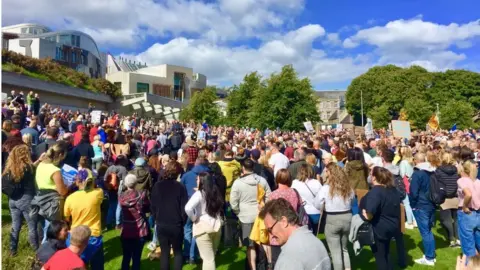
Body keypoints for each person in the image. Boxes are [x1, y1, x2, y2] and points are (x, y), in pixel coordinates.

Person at [259, 198, 331, 270]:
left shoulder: (288, 258)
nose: (270, 236)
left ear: (284, 221)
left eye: (270, 229)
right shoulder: (315, 241)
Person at [230, 159, 272, 270]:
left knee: (250, 245)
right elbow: (269, 196)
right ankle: (269, 263)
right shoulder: (262, 180)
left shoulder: (238, 183)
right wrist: (264, 208)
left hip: (246, 217)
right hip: (260, 215)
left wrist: (239, 212)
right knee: (263, 241)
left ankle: (253, 267)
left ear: (243, 169)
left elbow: (233, 202)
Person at [360, 167, 401, 270]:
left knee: (380, 256)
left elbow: (369, 214)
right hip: (392, 225)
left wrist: (364, 213)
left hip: (379, 228)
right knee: (386, 252)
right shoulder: (393, 190)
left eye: (370, 174)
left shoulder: (376, 192)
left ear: (374, 177)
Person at [2, 144, 39, 255]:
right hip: (26, 200)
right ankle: (36, 251)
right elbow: (33, 167)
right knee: (32, 226)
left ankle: (12, 250)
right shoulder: (28, 168)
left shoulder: (9, 167)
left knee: (15, 225)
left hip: (12, 200)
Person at [315, 163, 354, 270]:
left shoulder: (325, 188)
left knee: (335, 252)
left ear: (329, 173)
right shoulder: (348, 187)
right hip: (347, 217)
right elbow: (353, 200)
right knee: (345, 249)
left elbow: (317, 204)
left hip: (332, 219)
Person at [151, 161, 188, 270]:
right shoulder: (180, 187)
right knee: (177, 252)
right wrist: (182, 221)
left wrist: (157, 217)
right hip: (175, 224)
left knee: (165, 252)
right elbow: (184, 208)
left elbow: (153, 206)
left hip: (162, 223)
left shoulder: (158, 186)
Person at [64, 168, 104, 270]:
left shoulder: (70, 198)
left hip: (75, 235)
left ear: (77, 181)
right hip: (93, 235)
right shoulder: (98, 193)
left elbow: (67, 218)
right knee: (97, 266)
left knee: (77, 266)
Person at [185, 172, 225, 270]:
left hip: (203, 227)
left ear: (202, 181)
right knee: (210, 257)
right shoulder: (216, 192)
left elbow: (188, 208)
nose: (196, 181)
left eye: (197, 180)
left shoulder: (199, 194)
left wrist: (194, 218)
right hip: (217, 226)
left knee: (208, 259)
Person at [34, 141, 69, 243]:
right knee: (54, 231)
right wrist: (70, 185)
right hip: (53, 203)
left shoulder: (41, 165)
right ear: (61, 155)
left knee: (46, 227)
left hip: (40, 199)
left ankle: (43, 252)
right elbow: (62, 191)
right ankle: (47, 253)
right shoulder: (55, 170)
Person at [180, 157, 210, 264]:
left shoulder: (187, 175)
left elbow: (181, 188)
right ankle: (193, 255)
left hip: (190, 206)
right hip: (203, 207)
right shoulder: (208, 176)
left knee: (188, 230)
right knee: (197, 232)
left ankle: (187, 254)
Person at [410, 152, 437, 266]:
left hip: (421, 205)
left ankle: (429, 257)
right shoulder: (433, 171)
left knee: (425, 232)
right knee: (428, 230)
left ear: (416, 161)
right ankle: (431, 254)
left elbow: (413, 192)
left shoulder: (418, 174)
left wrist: (413, 205)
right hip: (431, 203)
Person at [119, 174, 150, 270]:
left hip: (126, 230)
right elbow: (147, 208)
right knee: (136, 258)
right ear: (136, 183)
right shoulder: (141, 195)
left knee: (126, 256)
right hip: (139, 230)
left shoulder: (121, 197)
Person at [437, 152, 461, 247]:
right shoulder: (457, 170)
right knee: (456, 219)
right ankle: (458, 239)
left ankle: (452, 239)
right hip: (455, 196)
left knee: (446, 220)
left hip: (444, 197)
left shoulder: (438, 171)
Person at [457, 160, 480, 260]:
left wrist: (465, 206)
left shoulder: (462, 180)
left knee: (468, 245)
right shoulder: (478, 182)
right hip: (478, 214)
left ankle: (470, 266)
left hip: (467, 214)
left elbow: (468, 194)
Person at [291, 163, 322, 235]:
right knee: (315, 234)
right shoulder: (316, 183)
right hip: (316, 212)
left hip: (302, 213)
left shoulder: (294, 183)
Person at [104, 155, 129, 229]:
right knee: (119, 206)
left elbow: (105, 179)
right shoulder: (123, 169)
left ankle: (108, 223)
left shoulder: (110, 168)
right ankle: (118, 223)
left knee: (111, 207)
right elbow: (125, 181)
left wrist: (108, 186)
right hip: (119, 190)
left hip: (110, 189)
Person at [398, 145, 416, 229]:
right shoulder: (412, 161)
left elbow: (402, 174)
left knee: (407, 203)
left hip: (405, 183)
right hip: (412, 183)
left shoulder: (403, 162)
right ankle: (414, 220)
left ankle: (409, 221)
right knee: (411, 203)